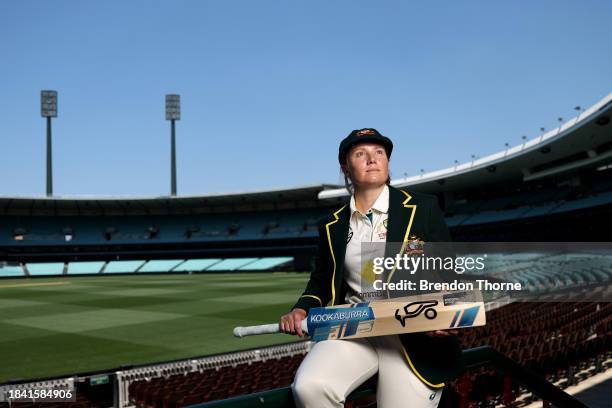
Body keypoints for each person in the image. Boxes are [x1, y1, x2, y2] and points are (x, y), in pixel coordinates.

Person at [279, 128, 463, 408]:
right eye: (360, 153)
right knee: (309, 387)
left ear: (388, 164)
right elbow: (320, 280)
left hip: (411, 334)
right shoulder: (332, 225)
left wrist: (445, 314)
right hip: (353, 326)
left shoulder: (422, 208)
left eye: (379, 153)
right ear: (346, 169)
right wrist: (301, 308)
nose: (372, 159)